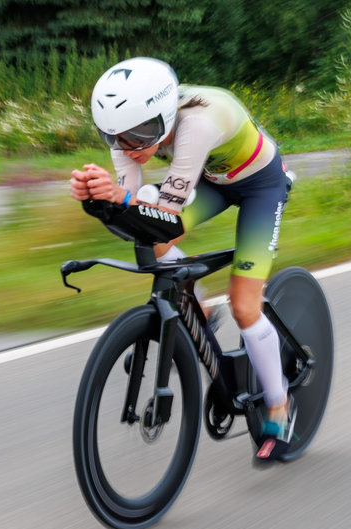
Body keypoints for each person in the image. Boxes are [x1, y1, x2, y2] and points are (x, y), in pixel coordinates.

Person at [70, 57, 294, 461]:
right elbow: (139, 216)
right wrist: (99, 196)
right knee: (150, 235)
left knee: (245, 307)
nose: (128, 148)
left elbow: (167, 219)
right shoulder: (128, 136)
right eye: (114, 137)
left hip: (261, 184)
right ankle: (198, 305)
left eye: (140, 135)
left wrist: (119, 196)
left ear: (167, 115)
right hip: (214, 181)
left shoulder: (198, 125)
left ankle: (279, 403)